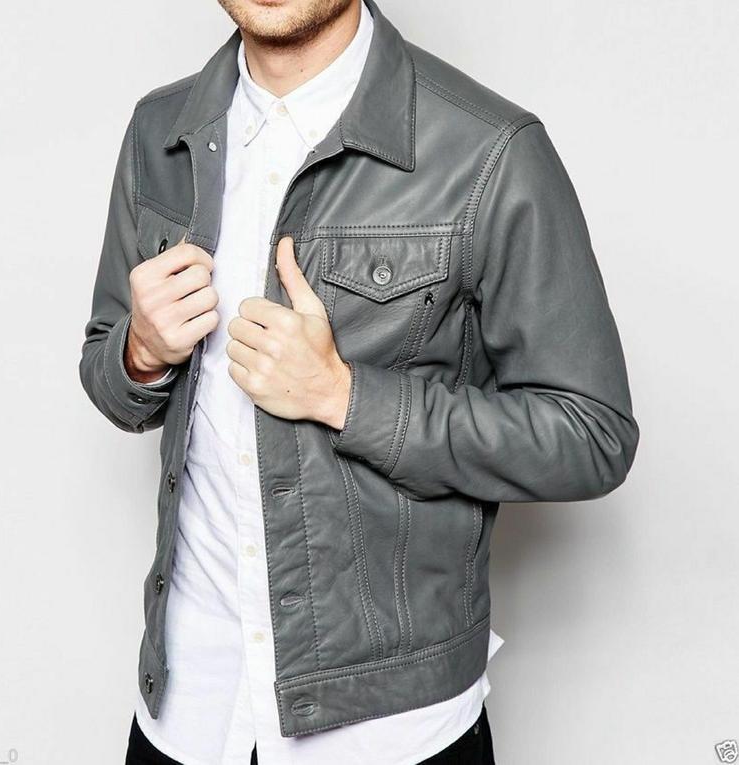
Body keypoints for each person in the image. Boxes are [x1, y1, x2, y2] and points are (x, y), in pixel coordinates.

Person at [78, 0, 640, 762]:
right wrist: (141, 351)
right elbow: (108, 372)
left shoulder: (488, 150)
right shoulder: (159, 132)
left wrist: (344, 396)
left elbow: (593, 433)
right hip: (187, 715)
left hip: (389, 734)